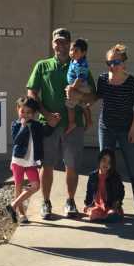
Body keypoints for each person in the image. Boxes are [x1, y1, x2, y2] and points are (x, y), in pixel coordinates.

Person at [27, 27, 96, 220]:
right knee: (47, 165)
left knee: (72, 166)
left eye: (64, 41)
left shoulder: (80, 66)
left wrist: (79, 95)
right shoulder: (42, 66)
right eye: (57, 41)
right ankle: (46, 202)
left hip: (73, 125)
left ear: (70, 44)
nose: (61, 45)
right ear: (52, 43)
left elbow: (93, 95)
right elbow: (32, 92)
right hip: (48, 125)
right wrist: (46, 114)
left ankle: (70, 201)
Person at [90, 43, 134, 217]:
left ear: (124, 63)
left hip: (126, 130)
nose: (112, 66)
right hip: (106, 128)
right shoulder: (103, 79)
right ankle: (106, 206)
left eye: (116, 62)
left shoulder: (132, 83)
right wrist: (80, 100)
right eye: (109, 63)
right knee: (104, 170)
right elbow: (96, 97)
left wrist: (133, 130)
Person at [6, 97, 45, 224]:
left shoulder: (37, 125)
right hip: (18, 160)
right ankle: (21, 214)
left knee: (35, 185)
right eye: (23, 111)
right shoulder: (15, 125)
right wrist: (23, 127)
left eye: (29, 112)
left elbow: (46, 132)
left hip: (31, 162)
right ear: (18, 110)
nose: (25, 115)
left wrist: (54, 121)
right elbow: (17, 140)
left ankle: (13, 205)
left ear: (34, 114)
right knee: (18, 186)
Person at [83, 148, 125, 222]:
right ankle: (105, 218)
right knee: (93, 213)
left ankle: (109, 216)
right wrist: (88, 204)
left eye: (109, 162)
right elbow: (89, 192)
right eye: (104, 160)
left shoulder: (115, 177)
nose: (106, 164)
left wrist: (117, 203)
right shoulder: (92, 176)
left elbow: (121, 191)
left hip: (110, 205)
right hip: (98, 205)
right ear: (99, 161)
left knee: (112, 213)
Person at [65, 38, 93, 133]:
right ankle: (89, 121)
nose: (72, 52)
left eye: (76, 50)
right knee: (83, 104)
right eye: (71, 50)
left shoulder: (81, 64)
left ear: (83, 53)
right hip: (79, 86)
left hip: (80, 86)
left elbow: (80, 78)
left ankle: (72, 123)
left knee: (69, 105)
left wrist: (72, 88)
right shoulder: (74, 61)